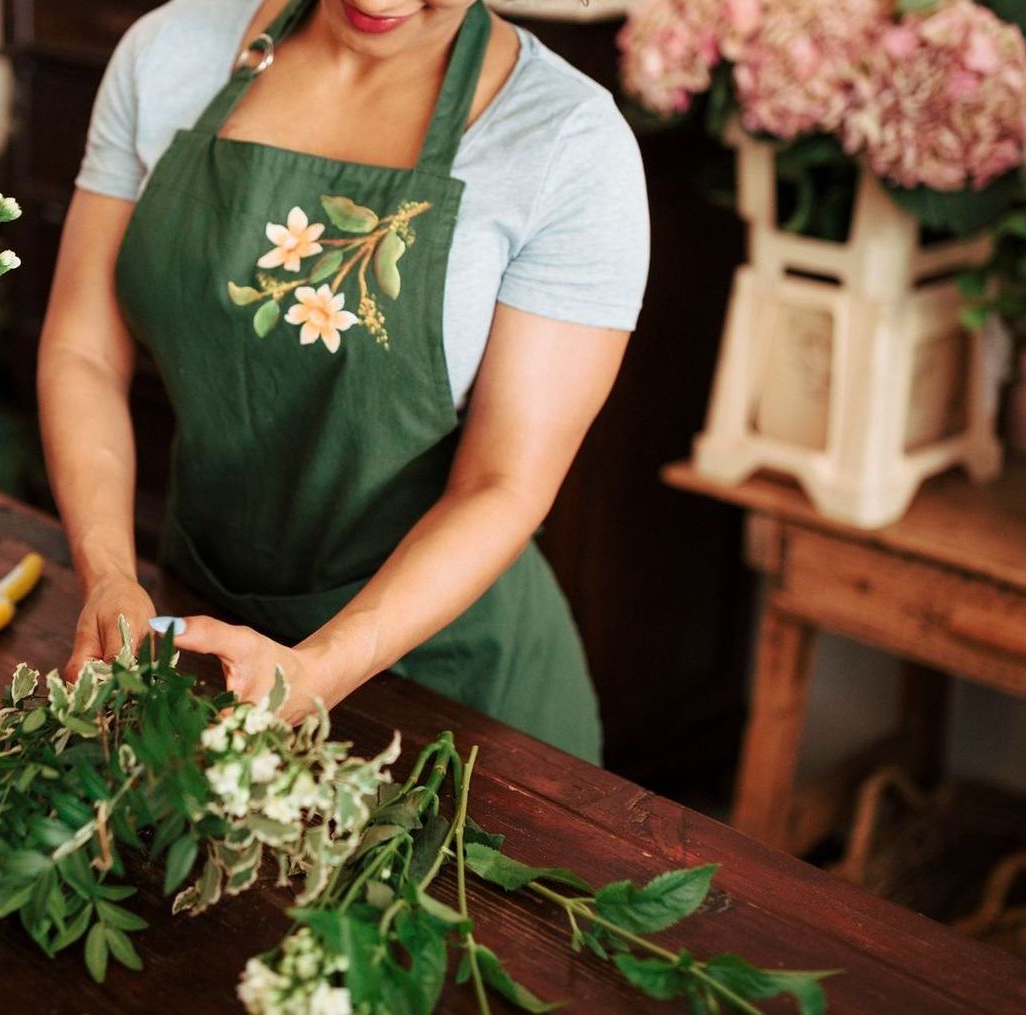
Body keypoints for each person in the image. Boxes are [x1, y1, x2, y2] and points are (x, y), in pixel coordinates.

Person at [35, 0, 648, 761]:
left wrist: (319, 668)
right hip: (195, 629)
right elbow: (84, 351)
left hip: (447, 692)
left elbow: (504, 481)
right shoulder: (168, 54)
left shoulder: (569, 145)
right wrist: (108, 577)